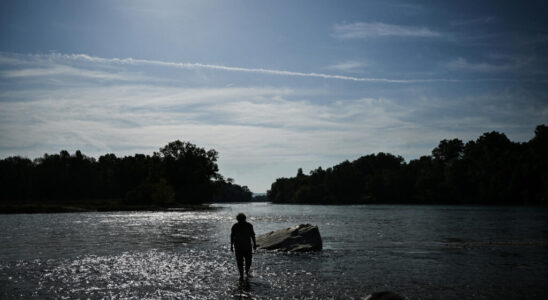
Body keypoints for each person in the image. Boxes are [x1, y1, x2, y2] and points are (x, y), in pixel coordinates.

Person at [230, 213, 256, 279]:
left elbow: (232, 236)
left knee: (239, 261)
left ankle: (241, 275)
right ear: (245, 218)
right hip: (247, 246)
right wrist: (254, 244)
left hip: (238, 246)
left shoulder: (235, 226)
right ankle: (246, 272)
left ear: (237, 219)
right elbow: (253, 235)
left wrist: (231, 246)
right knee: (248, 260)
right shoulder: (249, 225)